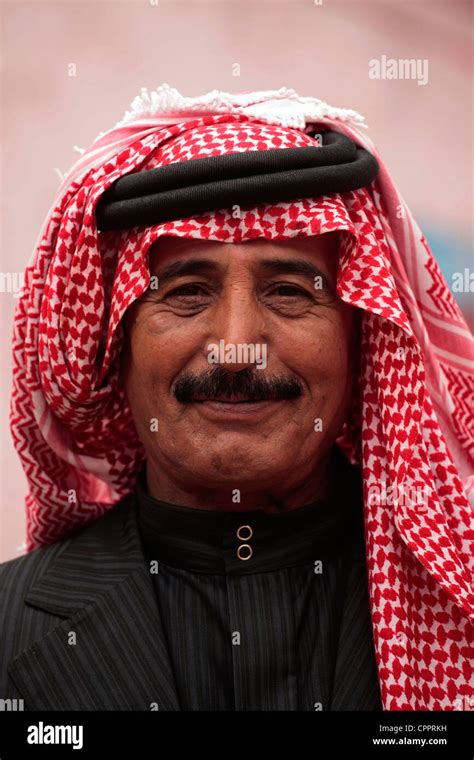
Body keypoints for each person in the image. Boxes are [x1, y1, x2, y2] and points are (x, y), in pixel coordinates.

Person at [1, 85, 472, 712]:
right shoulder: (9, 632)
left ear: (362, 339)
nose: (236, 346)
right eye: (187, 293)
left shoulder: (452, 601)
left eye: (289, 292)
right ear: (117, 345)